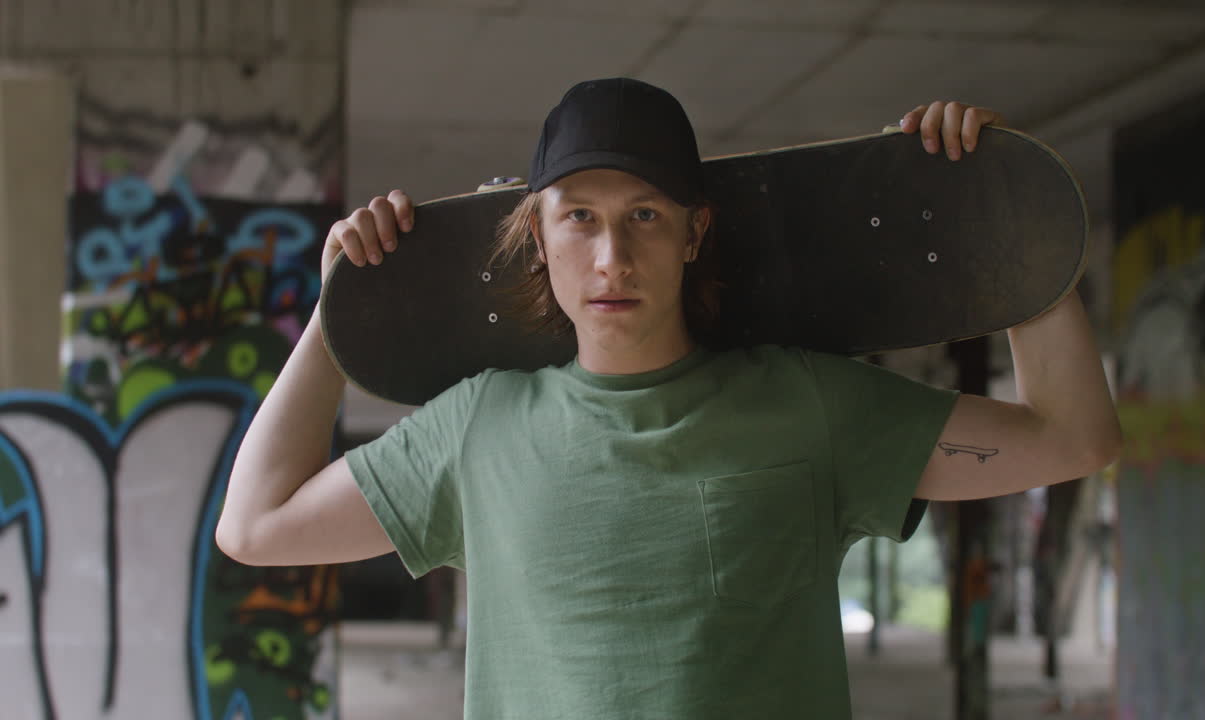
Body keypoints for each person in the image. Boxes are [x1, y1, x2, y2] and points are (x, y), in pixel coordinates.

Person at [216, 78, 1121, 718]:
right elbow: (254, 525)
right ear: (537, 235)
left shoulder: (809, 408)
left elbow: (1073, 438)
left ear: (696, 233)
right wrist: (342, 305)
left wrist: (1003, 225)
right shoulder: (477, 428)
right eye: (580, 217)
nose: (612, 257)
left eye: (646, 215)